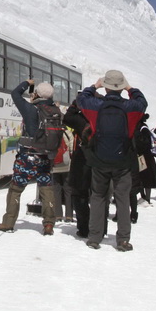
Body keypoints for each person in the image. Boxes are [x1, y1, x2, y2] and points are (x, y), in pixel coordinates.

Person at [77, 70, 147, 252]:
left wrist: (94, 86)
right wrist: (130, 87)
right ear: (121, 88)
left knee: (98, 197)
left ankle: (94, 237)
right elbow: (142, 102)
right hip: (123, 161)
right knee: (123, 198)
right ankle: (123, 239)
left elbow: (82, 99)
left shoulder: (95, 105)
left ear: (106, 87)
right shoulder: (131, 107)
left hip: (99, 159)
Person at [0, 79, 61, 235]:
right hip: (45, 157)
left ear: (37, 94)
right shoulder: (56, 111)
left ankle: (8, 223)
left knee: (15, 189)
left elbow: (15, 93)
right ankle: (48, 224)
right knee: (46, 189)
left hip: (27, 157)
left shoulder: (30, 109)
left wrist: (27, 82)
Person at [64, 100, 92, 238]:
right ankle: (100, 228)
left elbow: (66, 118)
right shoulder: (102, 116)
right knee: (100, 197)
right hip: (102, 161)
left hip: (82, 159)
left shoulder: (80, 120)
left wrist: (75, 104)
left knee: (80, 194)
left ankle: (84, 228)